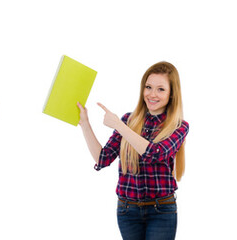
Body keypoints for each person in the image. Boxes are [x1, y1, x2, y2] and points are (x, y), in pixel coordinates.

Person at [77, 61, 188, 240]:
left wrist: (120, 127)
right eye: (148, 87)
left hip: (161, 211)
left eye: (161, 89)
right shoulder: (128, 120)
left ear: (172, 94)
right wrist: (85, 123)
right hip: (127, 211)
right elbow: (102, 158)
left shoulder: (179, 126)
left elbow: (156, 153)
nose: (152, 94)